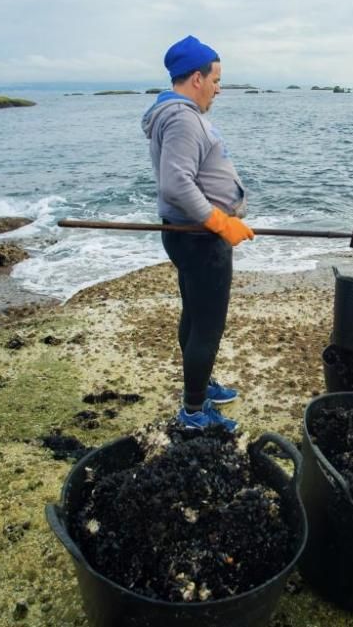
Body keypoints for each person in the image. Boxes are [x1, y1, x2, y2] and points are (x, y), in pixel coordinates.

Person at [141, 35, 253, 432]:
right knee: (208, 324)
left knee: (195, 314)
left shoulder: (179, 114)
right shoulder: (183, 118)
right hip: (200, 239)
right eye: (216, 79)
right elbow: (176, 184)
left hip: (191, 236)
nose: (219, 88)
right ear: (195, 79)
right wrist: (221, 223)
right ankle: (193, 412)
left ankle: (200, 385)